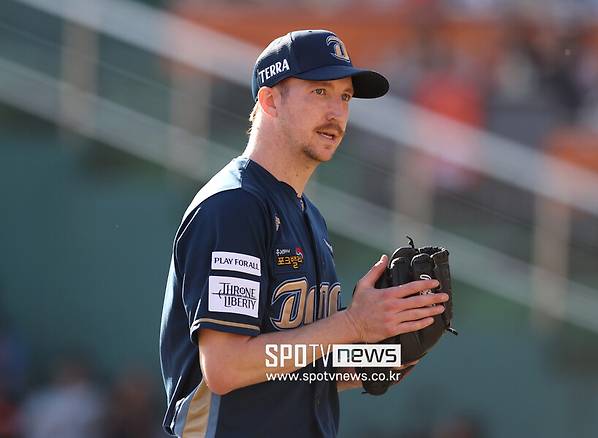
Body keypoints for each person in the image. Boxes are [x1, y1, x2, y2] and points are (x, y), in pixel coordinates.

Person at [159, 29, 450, 438]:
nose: (337, 111)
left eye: (345, 97)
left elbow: (298, 368)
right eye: (320, 92)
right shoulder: (233, 207)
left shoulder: (307, 214)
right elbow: (225, 368)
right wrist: (353, 325)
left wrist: (385, 355)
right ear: (270, 99)